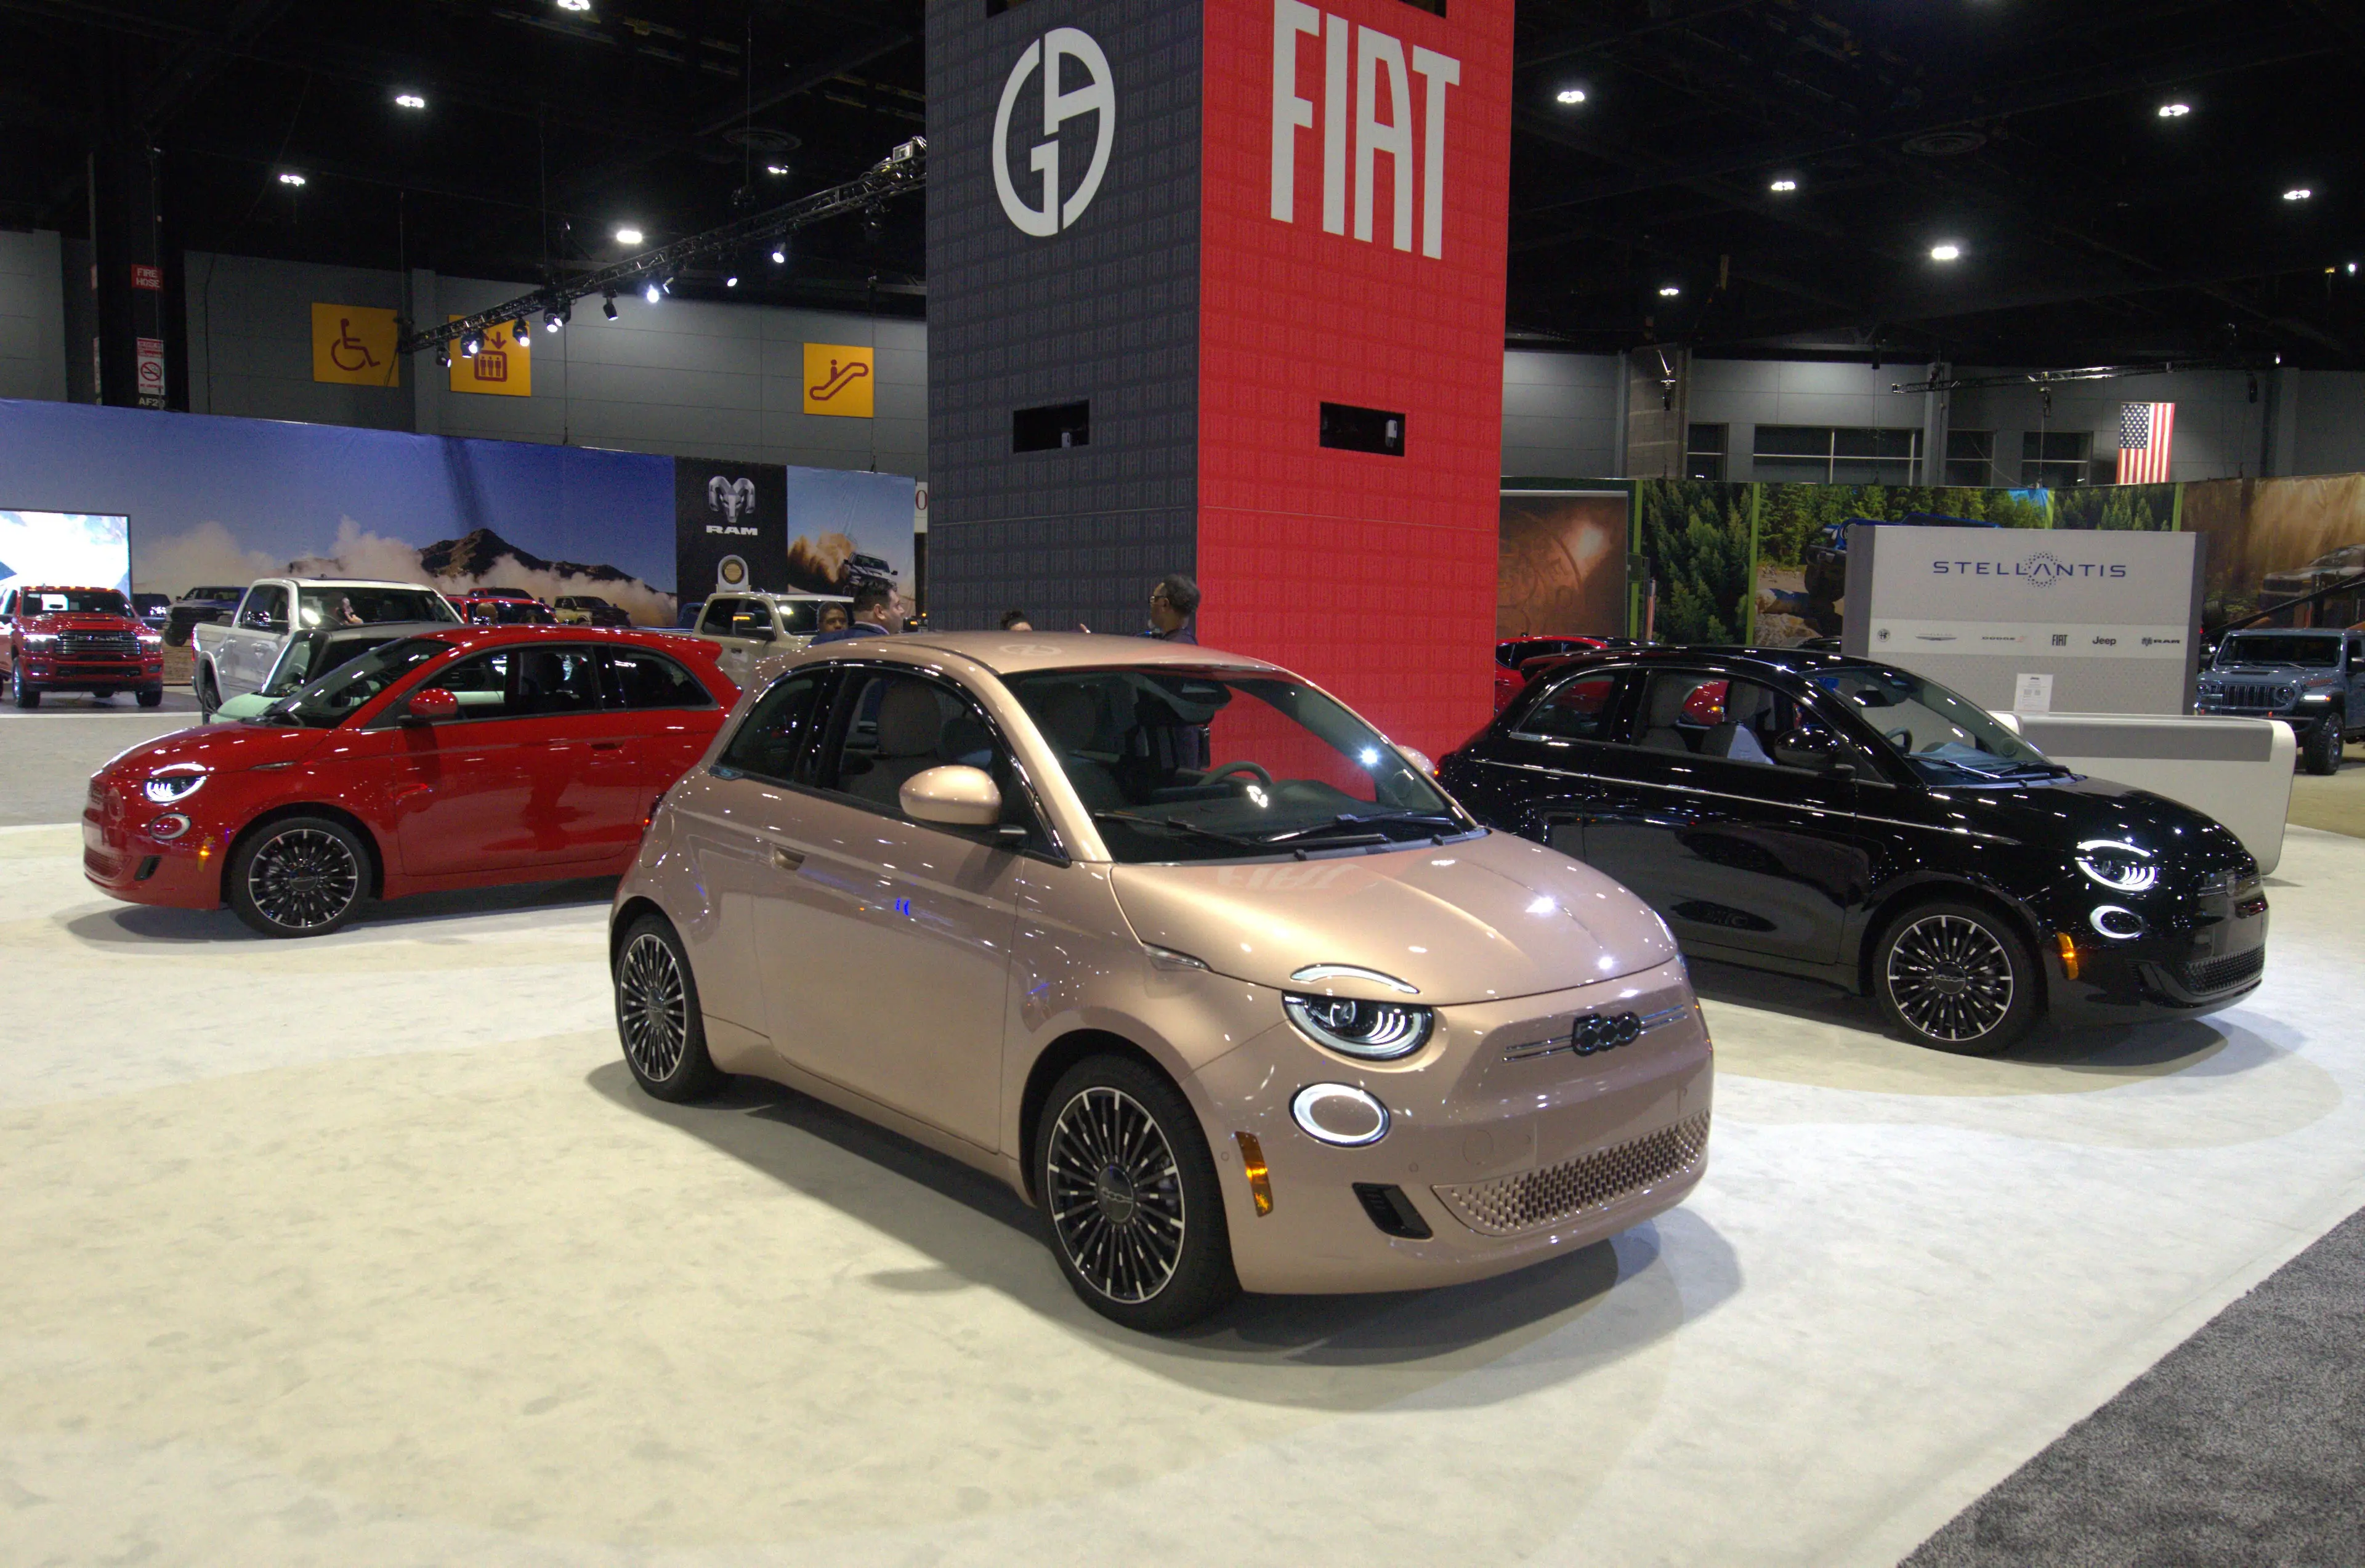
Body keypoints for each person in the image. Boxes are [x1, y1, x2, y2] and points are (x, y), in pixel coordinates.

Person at [811, 582, 901, 644]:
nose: (902, 611)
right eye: (897, 606)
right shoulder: (891, 647)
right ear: (879, 612)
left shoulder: (818, 643)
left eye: (843, 621)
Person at [1141, 572, 1198, 644]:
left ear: (1165, 604)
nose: (1152, 605)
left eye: (1154, 599)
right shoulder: (1187, 641)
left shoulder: (1171, 648)